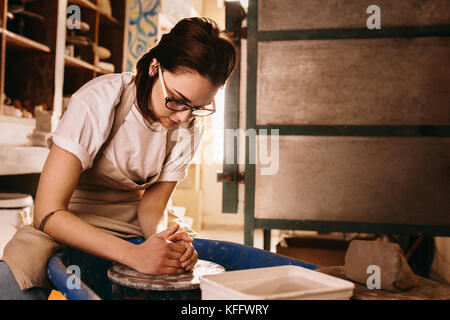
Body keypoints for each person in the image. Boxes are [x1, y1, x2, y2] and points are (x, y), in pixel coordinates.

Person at [0, 17, 237, 300]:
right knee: (12, 283)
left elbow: (153, 206)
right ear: (154, 67)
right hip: (68, 218)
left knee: (201, 273)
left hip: (131, 219)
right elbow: (47, 213)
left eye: (197, 107)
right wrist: (133, 255)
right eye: (177, 99)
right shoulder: (99, 100)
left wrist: (160, 242)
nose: (184, 116)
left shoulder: (188, 127)